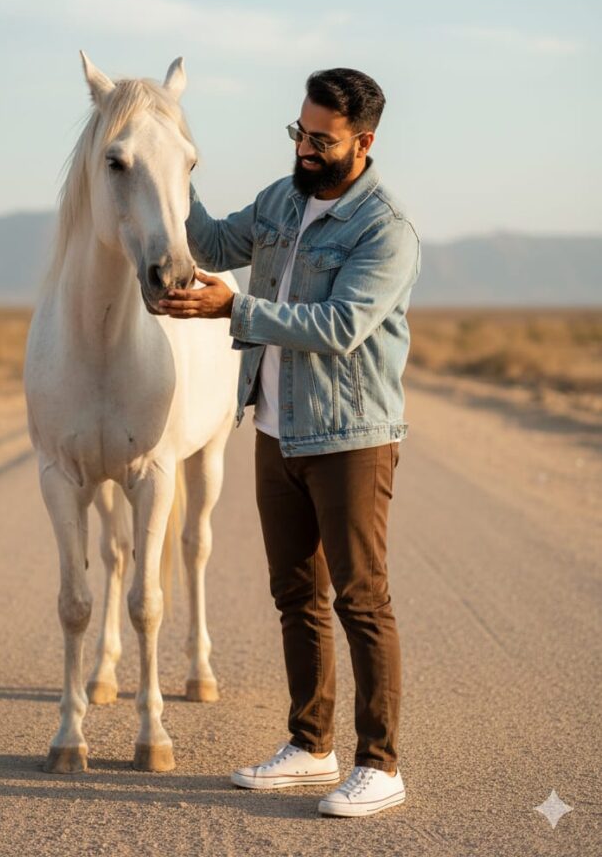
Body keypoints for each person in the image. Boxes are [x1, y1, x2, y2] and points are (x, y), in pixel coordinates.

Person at [158, 67, 420, 818]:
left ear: (361, 141)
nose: (303, 148)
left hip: (350, 437)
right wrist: (171, 162)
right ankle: (311, 748)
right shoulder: (280, 199)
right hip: (274, 429)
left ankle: (380, 764)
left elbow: (340, 328)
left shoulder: (384, 228)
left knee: (361, 600)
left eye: (320, 139)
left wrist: (233, 308)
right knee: (295, 594)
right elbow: (208, 238)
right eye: (298, 132)